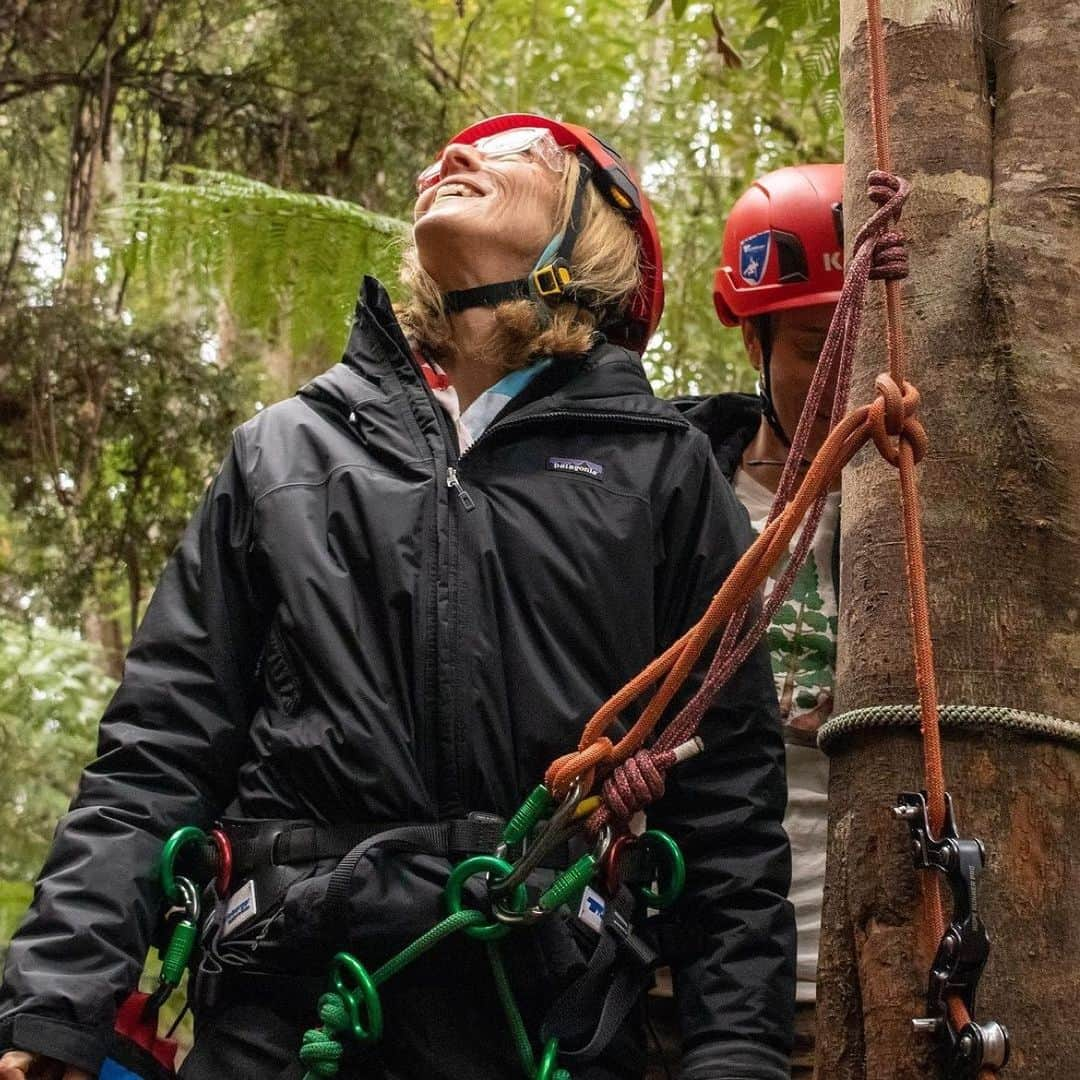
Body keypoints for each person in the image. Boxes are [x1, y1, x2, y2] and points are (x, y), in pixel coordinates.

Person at [0, 115, 794, 1080]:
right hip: (288, 1005)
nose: (449, 159)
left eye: (511, 157)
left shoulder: (662, 473)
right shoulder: (284, 453)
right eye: (447, 156)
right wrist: (54, 1004)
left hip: (547, 1015)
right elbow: (159, 746)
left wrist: (736, 1057)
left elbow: (729, 817)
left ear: (590, 233)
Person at [648, 163, 843, 1080]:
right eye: (813, 345)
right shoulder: (676, 495)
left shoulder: (954, 521)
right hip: (683, 970)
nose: (843, 375)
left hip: (888, 969)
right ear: (755, 343)